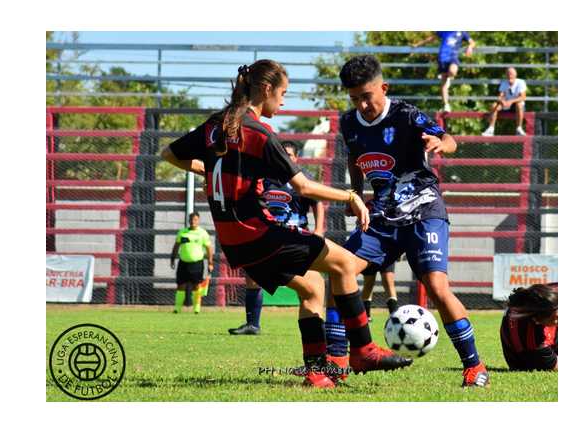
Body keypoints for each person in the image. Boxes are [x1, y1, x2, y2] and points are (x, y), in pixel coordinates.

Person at [161, 59, 413, 388]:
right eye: (282, 94)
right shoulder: (260, 133)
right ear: (266, 89)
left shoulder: (215, 125)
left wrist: (211, 171)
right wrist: (350, 197)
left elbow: (169, 153)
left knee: (312, 288)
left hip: (234, 239)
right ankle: (363, 350)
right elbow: (304, 188)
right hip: (259, 232)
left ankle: (317, 371)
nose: (283, 102)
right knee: (346, 264)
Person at [328, 55, 490, 387]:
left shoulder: (405, 114)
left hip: (423, 210)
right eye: (354, 97)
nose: (362, 104)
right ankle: (336, 361)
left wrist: (438, 143)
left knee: (436, 288)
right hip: (382, 217)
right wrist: (356, 195)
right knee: (339, 271)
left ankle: (474, 366)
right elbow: (357, 162)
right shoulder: (348, 122)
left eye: (367, 96)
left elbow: (451, 140)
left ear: (383, 88)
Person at [229, 141, 326, 335]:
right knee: (252, 276)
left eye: (290, 155)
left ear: (296, 158)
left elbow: (317, 204)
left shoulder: (303, 178)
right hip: (271, 237)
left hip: (299, 237)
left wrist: (318, 230)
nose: (286, 158)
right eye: (283, 154)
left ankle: (314, 325)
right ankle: (252, 324)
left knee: (308, 285)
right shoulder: (265, 177)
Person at [500, 283, 558, 371]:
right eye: (554, 318)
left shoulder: (537, 299)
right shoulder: (533, 340)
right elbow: (555, 365)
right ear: (537, 320)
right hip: (523, 361)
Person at [412, 31, 475, 113]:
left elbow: (472, 42)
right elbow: (431, 38)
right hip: (442, 57)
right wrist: (417, 45)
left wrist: (470, 47)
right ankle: (446, 105)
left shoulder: (462, 32)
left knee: (453, 71)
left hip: (452, 57)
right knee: (443, 83)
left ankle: (449, 76)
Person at [170, 212, 213, 314]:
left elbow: (209, 248)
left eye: (195, 219)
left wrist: (210, 262)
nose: (193, 221)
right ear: (188, 220)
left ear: (198, 221)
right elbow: (176, 246)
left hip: (197, 263)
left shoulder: (203, 233)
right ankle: (177, 308)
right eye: (191, 219)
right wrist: (172, 258)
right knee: (181, 285)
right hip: (183, 263)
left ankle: (196, 308)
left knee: (196, 286)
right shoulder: (182, 232)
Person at [482, 67, 528, 136]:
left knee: (519, 104)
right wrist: (502, 101)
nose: (510, 75)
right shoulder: (504, 83)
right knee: (494, 105)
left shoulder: (521, 82)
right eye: (508, 74)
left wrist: (511, 101)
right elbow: (500, 96)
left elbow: (523, 97)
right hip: (506, 105)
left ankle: (519, 129)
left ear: (515, 75)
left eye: (511, 74)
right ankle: (491, 129)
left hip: (516, 105)